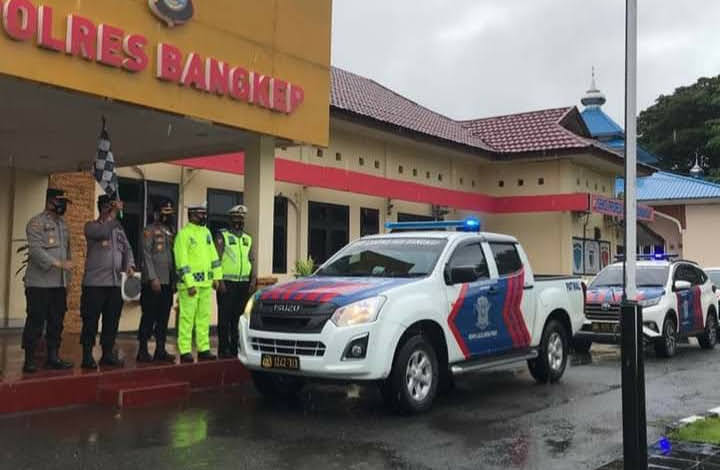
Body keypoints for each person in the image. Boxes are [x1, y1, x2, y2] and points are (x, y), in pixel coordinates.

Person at [21, 188, 74, 373]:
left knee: (56, 321)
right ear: (51, 201)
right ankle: (29, 359)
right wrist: (57, 263)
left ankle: (53, 356)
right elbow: (35, 251)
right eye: (61, 202)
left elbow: (67, 254)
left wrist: (67, 280)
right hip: (39, 284)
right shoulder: (36, 223)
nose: (64, 206)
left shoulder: (63, 225)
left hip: (58, 284)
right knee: (35, 321)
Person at [80, 194, 135, 369]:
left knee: (111, 321)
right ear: (103, 208)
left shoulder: (118, 229)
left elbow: (127, 249)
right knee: (91, 321)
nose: (113, 211)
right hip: (95, 284)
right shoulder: (91, 226)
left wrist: (129, 265)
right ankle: (87, 355)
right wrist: (113, 215)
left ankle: (107, 354)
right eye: (109, 207)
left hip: (114, 283)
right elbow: (103, 232)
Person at [173, 203, 221, 363]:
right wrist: (189, 283)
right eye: (201, 214)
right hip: (190, 286)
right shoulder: (184, 235)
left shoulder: (206, 233)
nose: (204, 216)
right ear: (192, 215)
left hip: (206, 284)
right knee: (187, 318)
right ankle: (185, 350)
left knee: (204, 317)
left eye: (204, 213)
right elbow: (181, 262)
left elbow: (214, 256)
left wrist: (217, 277)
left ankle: (203, 348)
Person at [137, 199, 177, 363]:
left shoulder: (171, 231)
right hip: (153, 282)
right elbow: (146, 255)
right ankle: (142, 350)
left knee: (163, 317)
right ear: (156, 213)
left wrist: (174, 280)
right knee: (149, 316)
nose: (167, 216)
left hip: (167, 281)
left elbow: (173, 256)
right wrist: (153, 277)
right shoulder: (149, 230)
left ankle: (160, 349)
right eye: (164, 212)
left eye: (170, 213)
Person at [215, 205, 256, 358]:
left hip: (243, 284)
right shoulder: (222, 235)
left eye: (241, 218)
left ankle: (235, 347)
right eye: (236, 218)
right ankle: (223, 348)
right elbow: (217, 259)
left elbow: (251, 260)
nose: (239, 221)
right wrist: (219, 280)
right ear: (230, 219)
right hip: (227, 283)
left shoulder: (247, 238)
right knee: (224, 318)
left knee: (238, 318)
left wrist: (253, 280)